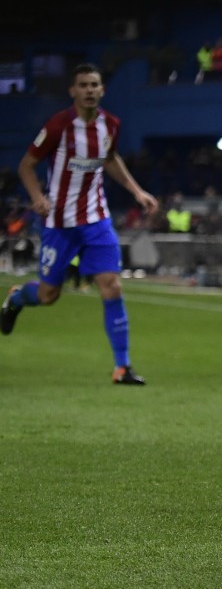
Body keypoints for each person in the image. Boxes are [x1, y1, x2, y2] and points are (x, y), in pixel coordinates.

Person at [2, 62, 159, 384]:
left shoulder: (110, 125)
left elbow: (110, 158)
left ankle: (122, 367)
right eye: (83, 85)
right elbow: (26, 166)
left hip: (97, 220)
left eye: (95, 85)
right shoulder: (59, 126)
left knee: (112, 286)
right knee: (48, 295)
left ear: (102, 90)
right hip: (59, 224)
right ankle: (17, 297)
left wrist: (136, 190)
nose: (89, 90)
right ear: (73, 91)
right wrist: (37, 198)